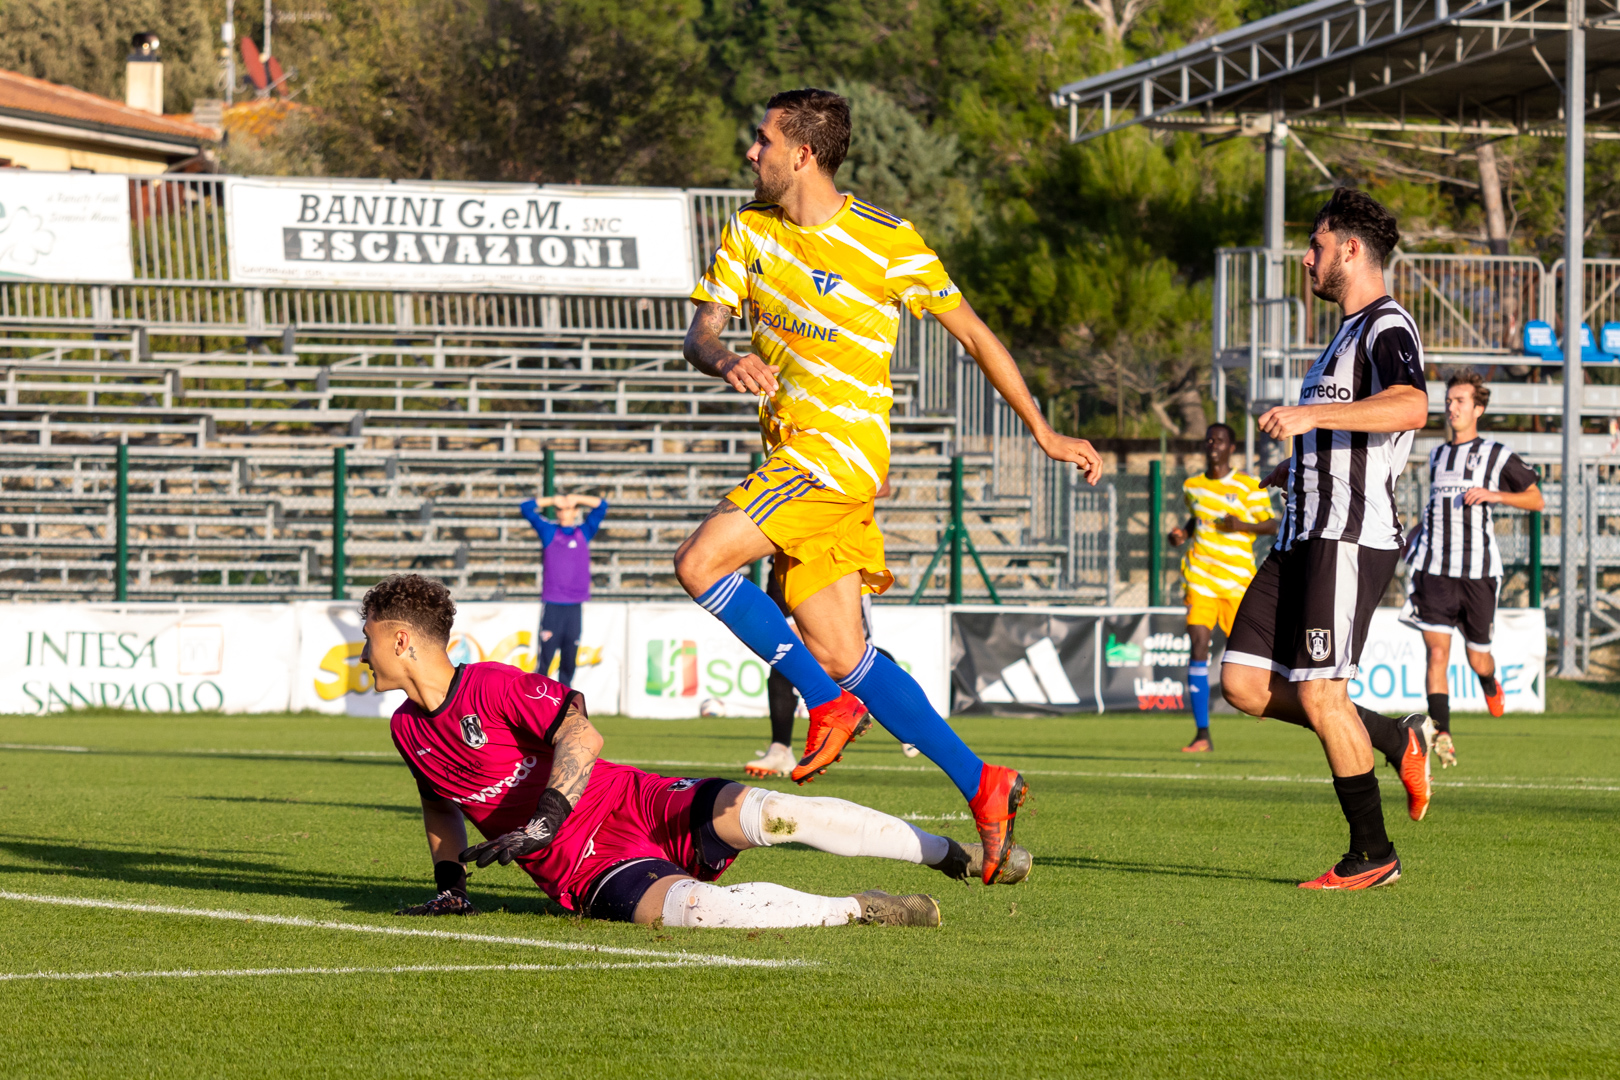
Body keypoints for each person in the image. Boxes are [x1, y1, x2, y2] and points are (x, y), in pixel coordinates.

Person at [675, 88, 1102, 884]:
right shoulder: (748, 229)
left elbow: (974, 334)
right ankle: (983, 782)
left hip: (833, 458)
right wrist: (723, 355)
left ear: (802, 153)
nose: (749, 152)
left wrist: (1043, 431)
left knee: (699, 564)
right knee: (842, 652)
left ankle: (827, 707)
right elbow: (701, 328)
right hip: (799, 458)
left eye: (760, 139)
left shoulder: (887, 241)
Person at [359, 575, 1030, 930]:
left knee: (773, 814)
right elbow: (440, 811)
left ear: (399, 640)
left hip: (631, 800)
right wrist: (451, 891)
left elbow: (582, 734)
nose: (362, 657)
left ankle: (953, 854)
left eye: (367, 641)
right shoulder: (405, 730)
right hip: (582, 867)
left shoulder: (492, 683)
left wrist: (548, 813)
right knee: (701, 913)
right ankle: (860, 908)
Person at [1220, 187, 1437, 891]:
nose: (1307, 260)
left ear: (1350, 248)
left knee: (1319, 695)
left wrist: (1310, 417)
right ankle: (1392, 735)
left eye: (1315, 246)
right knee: (1245, 684)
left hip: (1348, 535)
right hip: (1302, 533)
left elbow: (1411, 403)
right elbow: (1351, 423)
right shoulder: (1343, 336)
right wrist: (1302, 458)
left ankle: (1373, 854)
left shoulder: (1385, 325)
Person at [1402, 371, 1543, 766]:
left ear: (1478, 408)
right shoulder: (1436, 455)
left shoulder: (1496, 453)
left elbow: (1537, 500)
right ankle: (1442, 732)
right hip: (1433, 568)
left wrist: (1495, 494)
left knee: (1478, 657)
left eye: (1460, 401)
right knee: (1436, 655)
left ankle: (1487, 681)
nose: (1452, 408)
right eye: (1449, 401)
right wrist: (1413, 533)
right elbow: (1437, 508)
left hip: (1478, 573)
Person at [747, 477, 917, 776]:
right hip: (787, 559)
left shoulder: (847, 436)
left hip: (835, 561)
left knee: (856, 657)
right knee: (783, 656)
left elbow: (882, 484)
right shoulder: (782, 440)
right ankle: (780, 749)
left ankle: (911, 721)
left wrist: (822, 488)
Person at [1165, 422, 1278, 753]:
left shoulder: (1248, 486)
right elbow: (1196, 517)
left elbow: (1273, 524)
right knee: (1198, 645)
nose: (1213, 444)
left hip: (1237, 582)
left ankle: (1266, 701)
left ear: (1232, 448)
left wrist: (1241, 525)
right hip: (1200, 579)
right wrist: (1182, 534)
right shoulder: (1193, 486)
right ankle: (1202, 734)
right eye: (1209, 439)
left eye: (1220, 440)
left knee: (1247, 654)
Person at [518, 491, 607, 686]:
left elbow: (602, 506)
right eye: (559, 509)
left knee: (569, 659)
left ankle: (564, 703)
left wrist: (579, 498)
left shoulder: (583, 533)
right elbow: (525, 508)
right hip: (553, 604)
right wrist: (551, 499)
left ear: (575, 511)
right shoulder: (549, 532)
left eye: (567, 508)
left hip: (574, 606)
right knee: (546, 660)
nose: (563, 512)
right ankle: (537, 702)